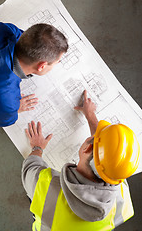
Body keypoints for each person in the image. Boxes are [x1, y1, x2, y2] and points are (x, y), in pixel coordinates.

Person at [22, 90, 140, 231]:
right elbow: (108, 154)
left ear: (86, 149)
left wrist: (37, 147)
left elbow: (30, 167)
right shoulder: (121, 193)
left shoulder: (47, 188)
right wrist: (90, 116)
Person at [0, 22, 68, 134]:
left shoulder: (0, 29)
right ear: (41, 66)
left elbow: (21, 35)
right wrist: (16, 108)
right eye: (57, 62)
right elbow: (3, 121)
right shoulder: (7, 103)